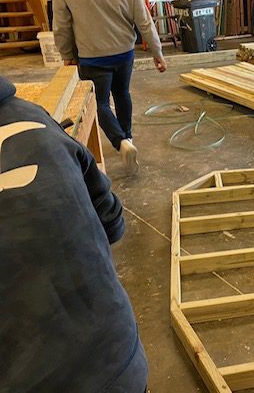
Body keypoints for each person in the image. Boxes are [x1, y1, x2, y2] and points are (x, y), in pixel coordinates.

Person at [0, 76, 147, 392]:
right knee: (118, 93)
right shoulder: (33, 115)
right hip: (123, 359)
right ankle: (125, 136)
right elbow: (112, 220)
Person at [53, 0, 167, 176]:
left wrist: (67, 54)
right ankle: (128, 137)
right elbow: (144, 19)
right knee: (122, 93)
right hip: (124, 52)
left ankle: (120, 142)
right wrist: (157, 51)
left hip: (93, 55)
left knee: (100, 102)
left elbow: (61, 23)